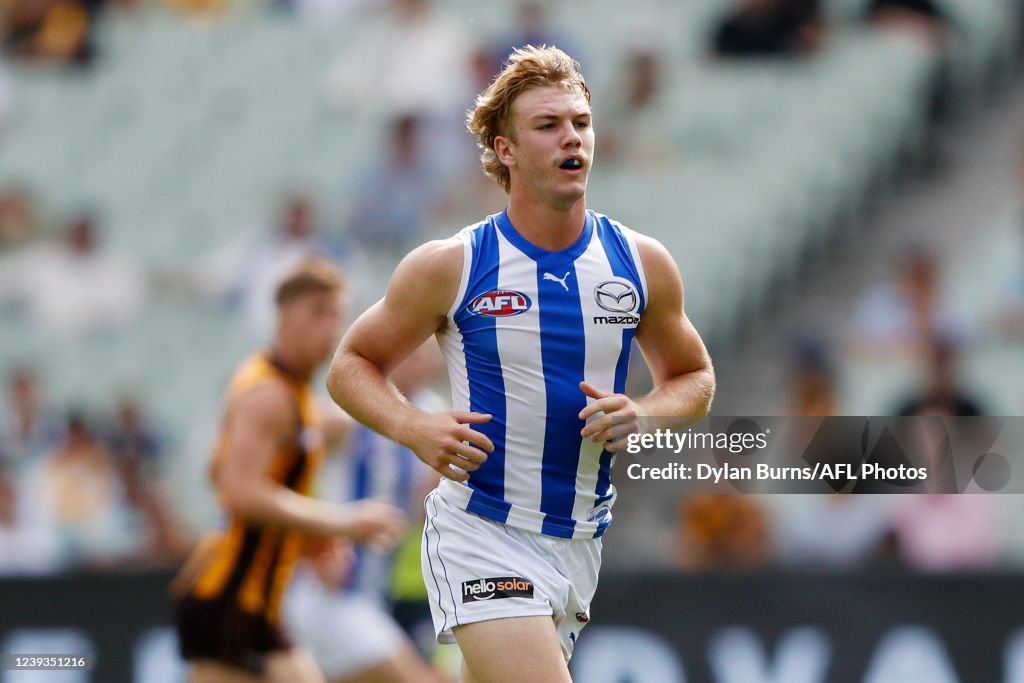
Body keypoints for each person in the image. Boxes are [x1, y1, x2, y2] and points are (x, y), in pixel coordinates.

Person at [326, 46, 715, 683]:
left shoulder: (641, 263)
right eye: (548, 125)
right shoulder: (451, 264)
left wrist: (643, 414)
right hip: (481, 530)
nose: (573, 138)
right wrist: (412, 427)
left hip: (579, 541)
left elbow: (695, 379)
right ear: (505, 151)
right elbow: (352, 363)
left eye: (581, 123)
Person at [172, 257, 406, 683]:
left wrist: (306, 540)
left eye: (337, 314)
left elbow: (218, 469)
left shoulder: (287, 389)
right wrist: (341, 521)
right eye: (316, 312)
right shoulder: (269, 394)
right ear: (281, 316)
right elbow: (241, 489)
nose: (330, 327)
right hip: (233, 593)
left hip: (247, 596)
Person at [285, 341, 448, 683]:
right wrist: (309, 538)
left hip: (377, 593)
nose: (414, 360)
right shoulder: (351, 411)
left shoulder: (432, 416)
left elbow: (427, 506)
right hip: (331, 594)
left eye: (422, 351)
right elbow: (274, 465)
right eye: (409, 349)